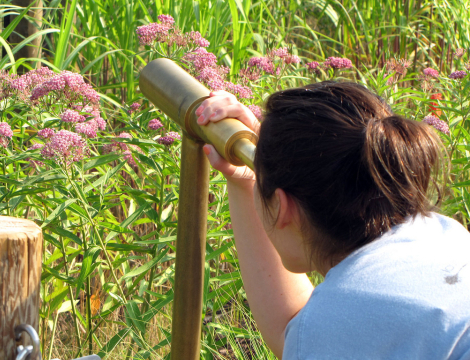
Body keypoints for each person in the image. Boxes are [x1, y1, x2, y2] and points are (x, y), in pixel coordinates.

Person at [195, 81, 470, 359]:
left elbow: (317, 337)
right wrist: (251, 175)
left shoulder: (333, 323)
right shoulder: (444, 235)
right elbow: (300, 336)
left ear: (281, 206)